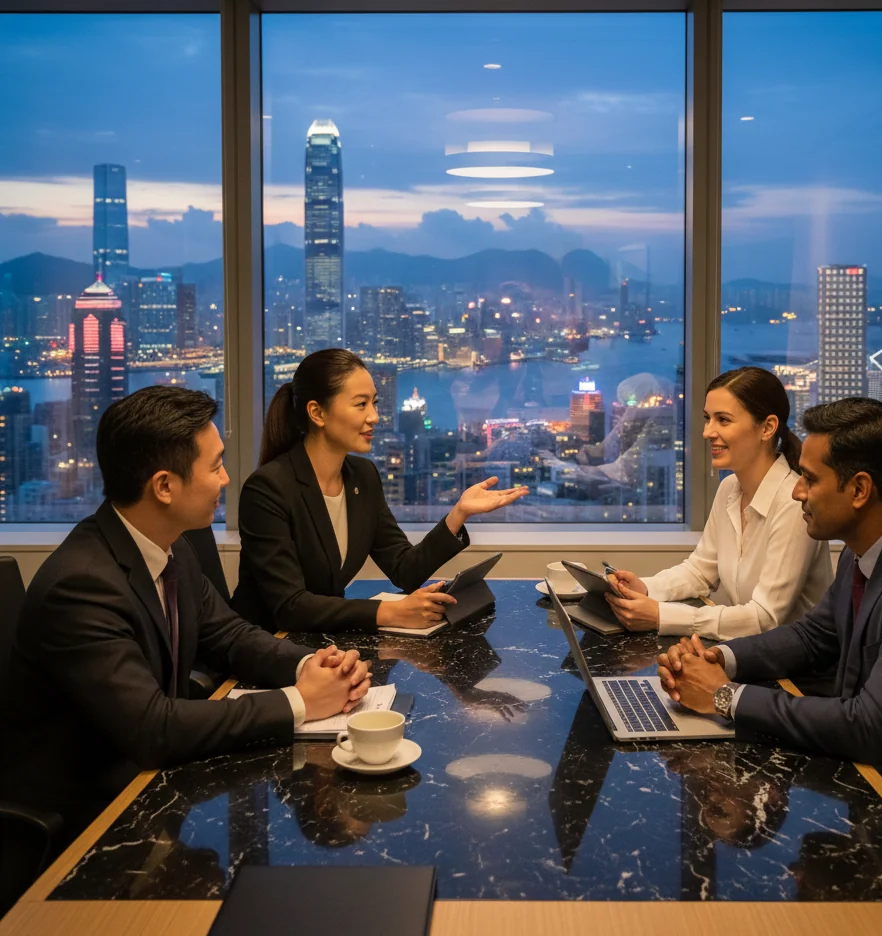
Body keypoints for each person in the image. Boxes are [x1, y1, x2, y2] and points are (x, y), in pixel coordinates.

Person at [0, 386, 371, 845]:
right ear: (164, 485)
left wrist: (309, 665)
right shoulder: (82, 585)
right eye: (215, 466)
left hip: (149, 791)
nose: (226, 479)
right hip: (85, 825)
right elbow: (152, 728)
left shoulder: (169, 545)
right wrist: (301, 701)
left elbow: (229, 634)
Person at [657, 397, 882, 827]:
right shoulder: (866, 546)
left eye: (809, 480)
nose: (796, 491)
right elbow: (813, 635)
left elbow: (870, 727)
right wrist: (721, 659)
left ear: (859, 490)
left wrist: (725, 696)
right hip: (879, 779)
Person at [233, 349, 527, 633]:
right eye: (361, 405)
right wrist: (390, 612)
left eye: (374, 403)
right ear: (317, 413)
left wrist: (459, 513)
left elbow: (404, 569)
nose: (374, 416)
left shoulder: (363, 476)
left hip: (321, 644)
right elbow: (290, 606)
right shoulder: (268, 489)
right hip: (265, 650)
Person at [604, 366, 832, 638]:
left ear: (768, 427)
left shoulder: (793, 503)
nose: (707, 432)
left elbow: (764, 618)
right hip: (751, 655)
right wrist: (643, 588)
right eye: (707, 419)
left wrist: (660, 616)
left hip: (797, 674)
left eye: (723, 420)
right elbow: (700, 571)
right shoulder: (729, 488)